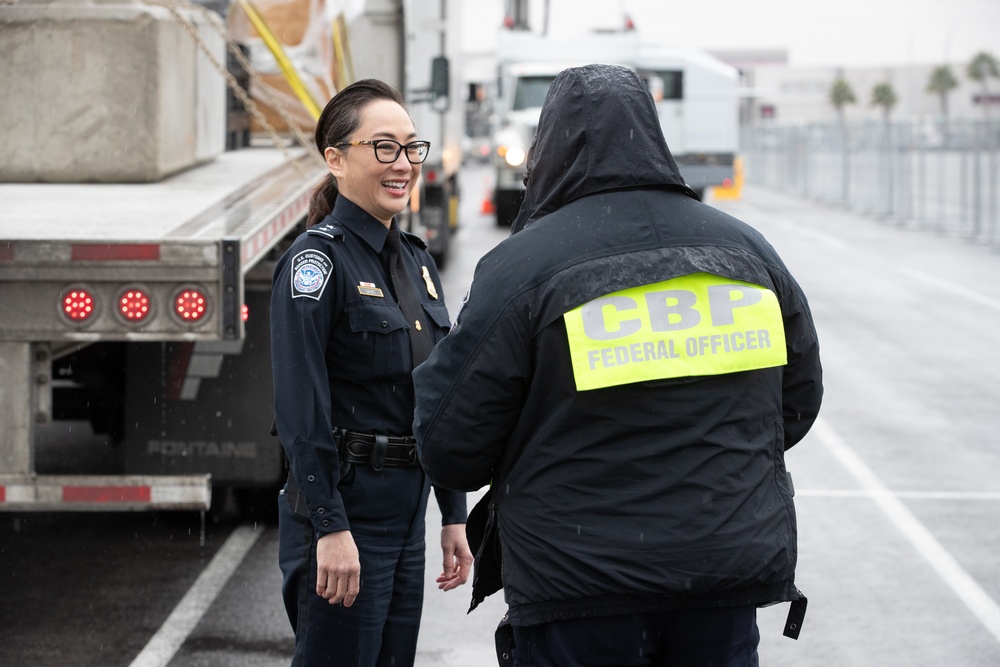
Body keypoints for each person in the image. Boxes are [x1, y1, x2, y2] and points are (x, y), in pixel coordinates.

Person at [412, 64, 823, 667]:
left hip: (579, 590)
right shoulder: (746, 252)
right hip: (720, 578)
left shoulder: (522, 269)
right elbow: (796, 403)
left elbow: (449, 443)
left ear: (548, 147)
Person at [270, 78, 472, 667]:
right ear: (335, 159)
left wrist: (453, 512)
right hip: (346, 512)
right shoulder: (316, 262)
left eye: (411, 148)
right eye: (383, 147)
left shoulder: (416, 260)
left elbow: (435, 396)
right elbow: (300, 409)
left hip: (406, 512)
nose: (403, 163)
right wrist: (330, 527)